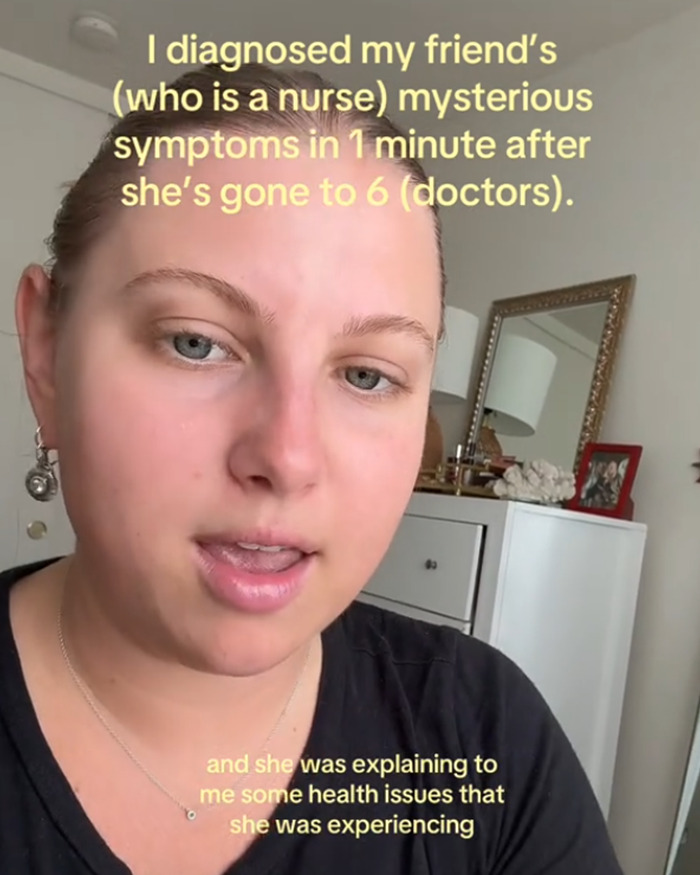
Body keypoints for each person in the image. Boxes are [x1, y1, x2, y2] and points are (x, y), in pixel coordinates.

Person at [1, 62, 624, 874]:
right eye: (196, 342)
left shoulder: (487, 740)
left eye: (367, 374)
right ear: (46, 353)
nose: (289, 458)